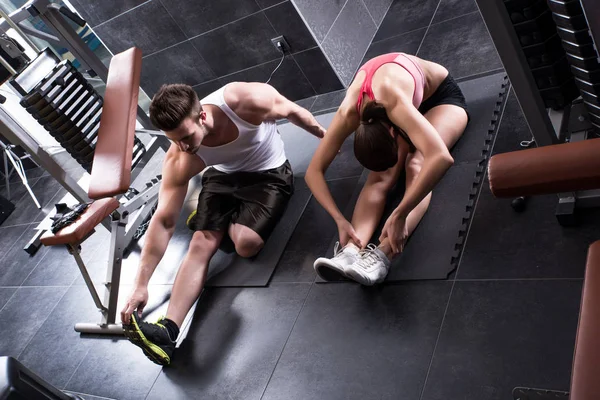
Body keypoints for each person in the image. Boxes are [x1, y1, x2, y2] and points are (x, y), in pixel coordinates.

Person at [120, 82, 326, 365]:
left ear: (201, 116)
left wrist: (324, 136)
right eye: (174, 139)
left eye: (185, 136)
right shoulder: (181, 156)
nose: (182, 146)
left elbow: (292, 111)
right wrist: (140, 284)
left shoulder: (244, 102)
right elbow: (165, 220)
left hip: (269, 173)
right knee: (202, 241)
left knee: (246, 245)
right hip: (222, 178)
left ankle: (222, 218)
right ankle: (167, 332)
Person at [306, 52, 469, 286]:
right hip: (397, 108)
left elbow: (441, 158)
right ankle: (351, 251)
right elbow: (313, 172)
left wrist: (400, 214)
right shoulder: (348, 113)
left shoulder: (394, 103)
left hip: (440, 100)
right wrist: (340, 220)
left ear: (395, 132)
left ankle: (383, 256)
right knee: (383, 175)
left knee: (416, 163)